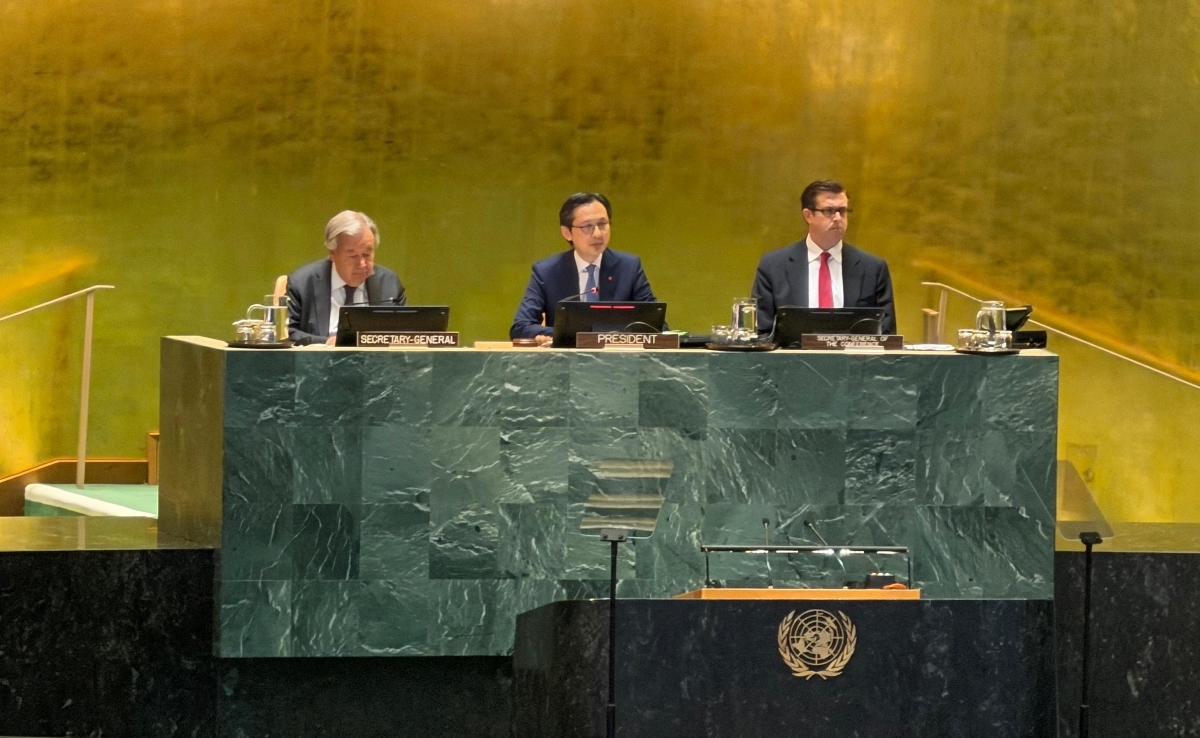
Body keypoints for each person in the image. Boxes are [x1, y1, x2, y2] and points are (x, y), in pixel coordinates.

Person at [510, 193, 659, 344]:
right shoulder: (547, 272)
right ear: (567, 233)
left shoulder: (629, 267)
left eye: (602, 224)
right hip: (565, 364)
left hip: (619, 362)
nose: (597, 234)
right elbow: (521, 327)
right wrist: (573, 336)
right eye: (587, 226)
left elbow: (655, 326)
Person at [751, 180, 896, 335]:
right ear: (808, 215)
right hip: (792, 357)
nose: (838, 218)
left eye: (843, 210)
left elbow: (886, 338)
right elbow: (761, 334)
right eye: (829, 211)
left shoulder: (873, 269)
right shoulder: (773, 266)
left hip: (855, 359)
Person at [286, 210, 406, 345]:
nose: (362, 264)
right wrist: (328, 343)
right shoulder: (302, 283)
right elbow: (287, 332)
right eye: (353, 256)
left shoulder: (389, 284)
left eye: (367, 254)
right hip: (320, 363)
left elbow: (403, 333)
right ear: (332, 253)